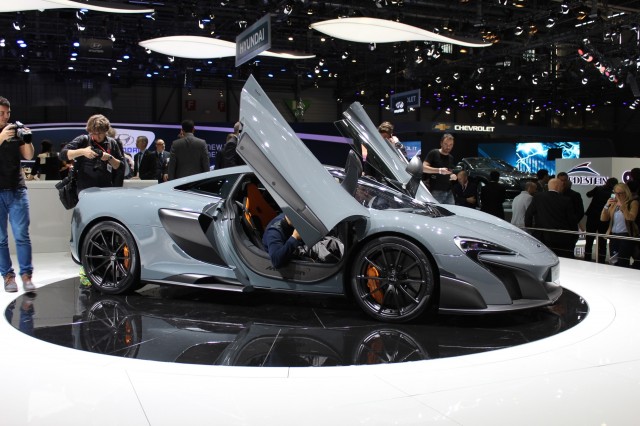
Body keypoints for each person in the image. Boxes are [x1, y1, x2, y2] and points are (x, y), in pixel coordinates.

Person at [0, 96, 36, 292]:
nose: (5, 117)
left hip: (17, 189)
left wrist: (27, 139)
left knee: (22, 235)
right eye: (1, 113)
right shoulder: (5, 133)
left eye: (8, 113)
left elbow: (29, 155)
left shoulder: (15, 130)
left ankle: (26, 276)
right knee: (1, 239)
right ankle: (8, 276)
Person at [59, 114, 123, 194]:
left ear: (105, 131)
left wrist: (109, 158)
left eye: (100, 133)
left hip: (106, 189)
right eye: (94, 133)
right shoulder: (83, 140)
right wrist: (82, 151)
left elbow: (121, 167)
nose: (97, 136)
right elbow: (62, 155)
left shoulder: (112, 143)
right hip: (84, 189)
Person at [525, 178, 577, 258]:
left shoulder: (538, 197)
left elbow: (528, 214)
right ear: (557, 186)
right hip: (562, 239)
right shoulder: (566, 200)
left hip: (542, 236)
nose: (562, 188)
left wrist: (530, 229)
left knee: (542, 258)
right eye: (561, 186)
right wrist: (574, 235)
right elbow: (572, 220)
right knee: (563, 260)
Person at [600, 183, 639, 268]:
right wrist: (606, 206)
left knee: (622, 261)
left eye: (620, 193)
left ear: (626, 192)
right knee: (614, 261)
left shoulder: (633, 203)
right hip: (613, 235)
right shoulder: (614, 204)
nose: (617, 195)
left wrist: (623, 208)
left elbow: (631, 218)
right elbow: (603, 219)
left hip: (626, 236)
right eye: (615, 193)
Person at [584, 177, 617, 263]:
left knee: (589, 240)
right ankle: (601, 261)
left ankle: (587, 259)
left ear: (606, 182)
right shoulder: (612, 194)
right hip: (604, 218)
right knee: (602, 241)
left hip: (592, 216)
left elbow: (588, 194)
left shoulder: (598, 188)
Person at [421, 133, 457, 204]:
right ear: (441, 143)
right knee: (436, 210)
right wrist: (439, 170)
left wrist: (453, 176)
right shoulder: (434, 153)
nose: (448, 147)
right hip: (435, 191)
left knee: (451, 210)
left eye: (451, 145)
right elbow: (423, 168)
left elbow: (449, 171)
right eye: (446, 144)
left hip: (449, 191)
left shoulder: (451, 157)